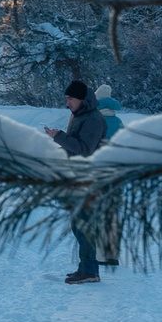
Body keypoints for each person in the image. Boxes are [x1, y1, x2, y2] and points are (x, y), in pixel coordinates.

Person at [45, 79, 108, 284]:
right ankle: (86, 268)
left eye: (70, 99)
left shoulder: (93, 119)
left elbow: (84, 149)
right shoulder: (81, 116)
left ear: (82, 99)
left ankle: (90, 270)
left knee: (84, 224)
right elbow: (75, 148)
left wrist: (59, 137)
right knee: (79, 224)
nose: (67, 103)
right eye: (66, 99)